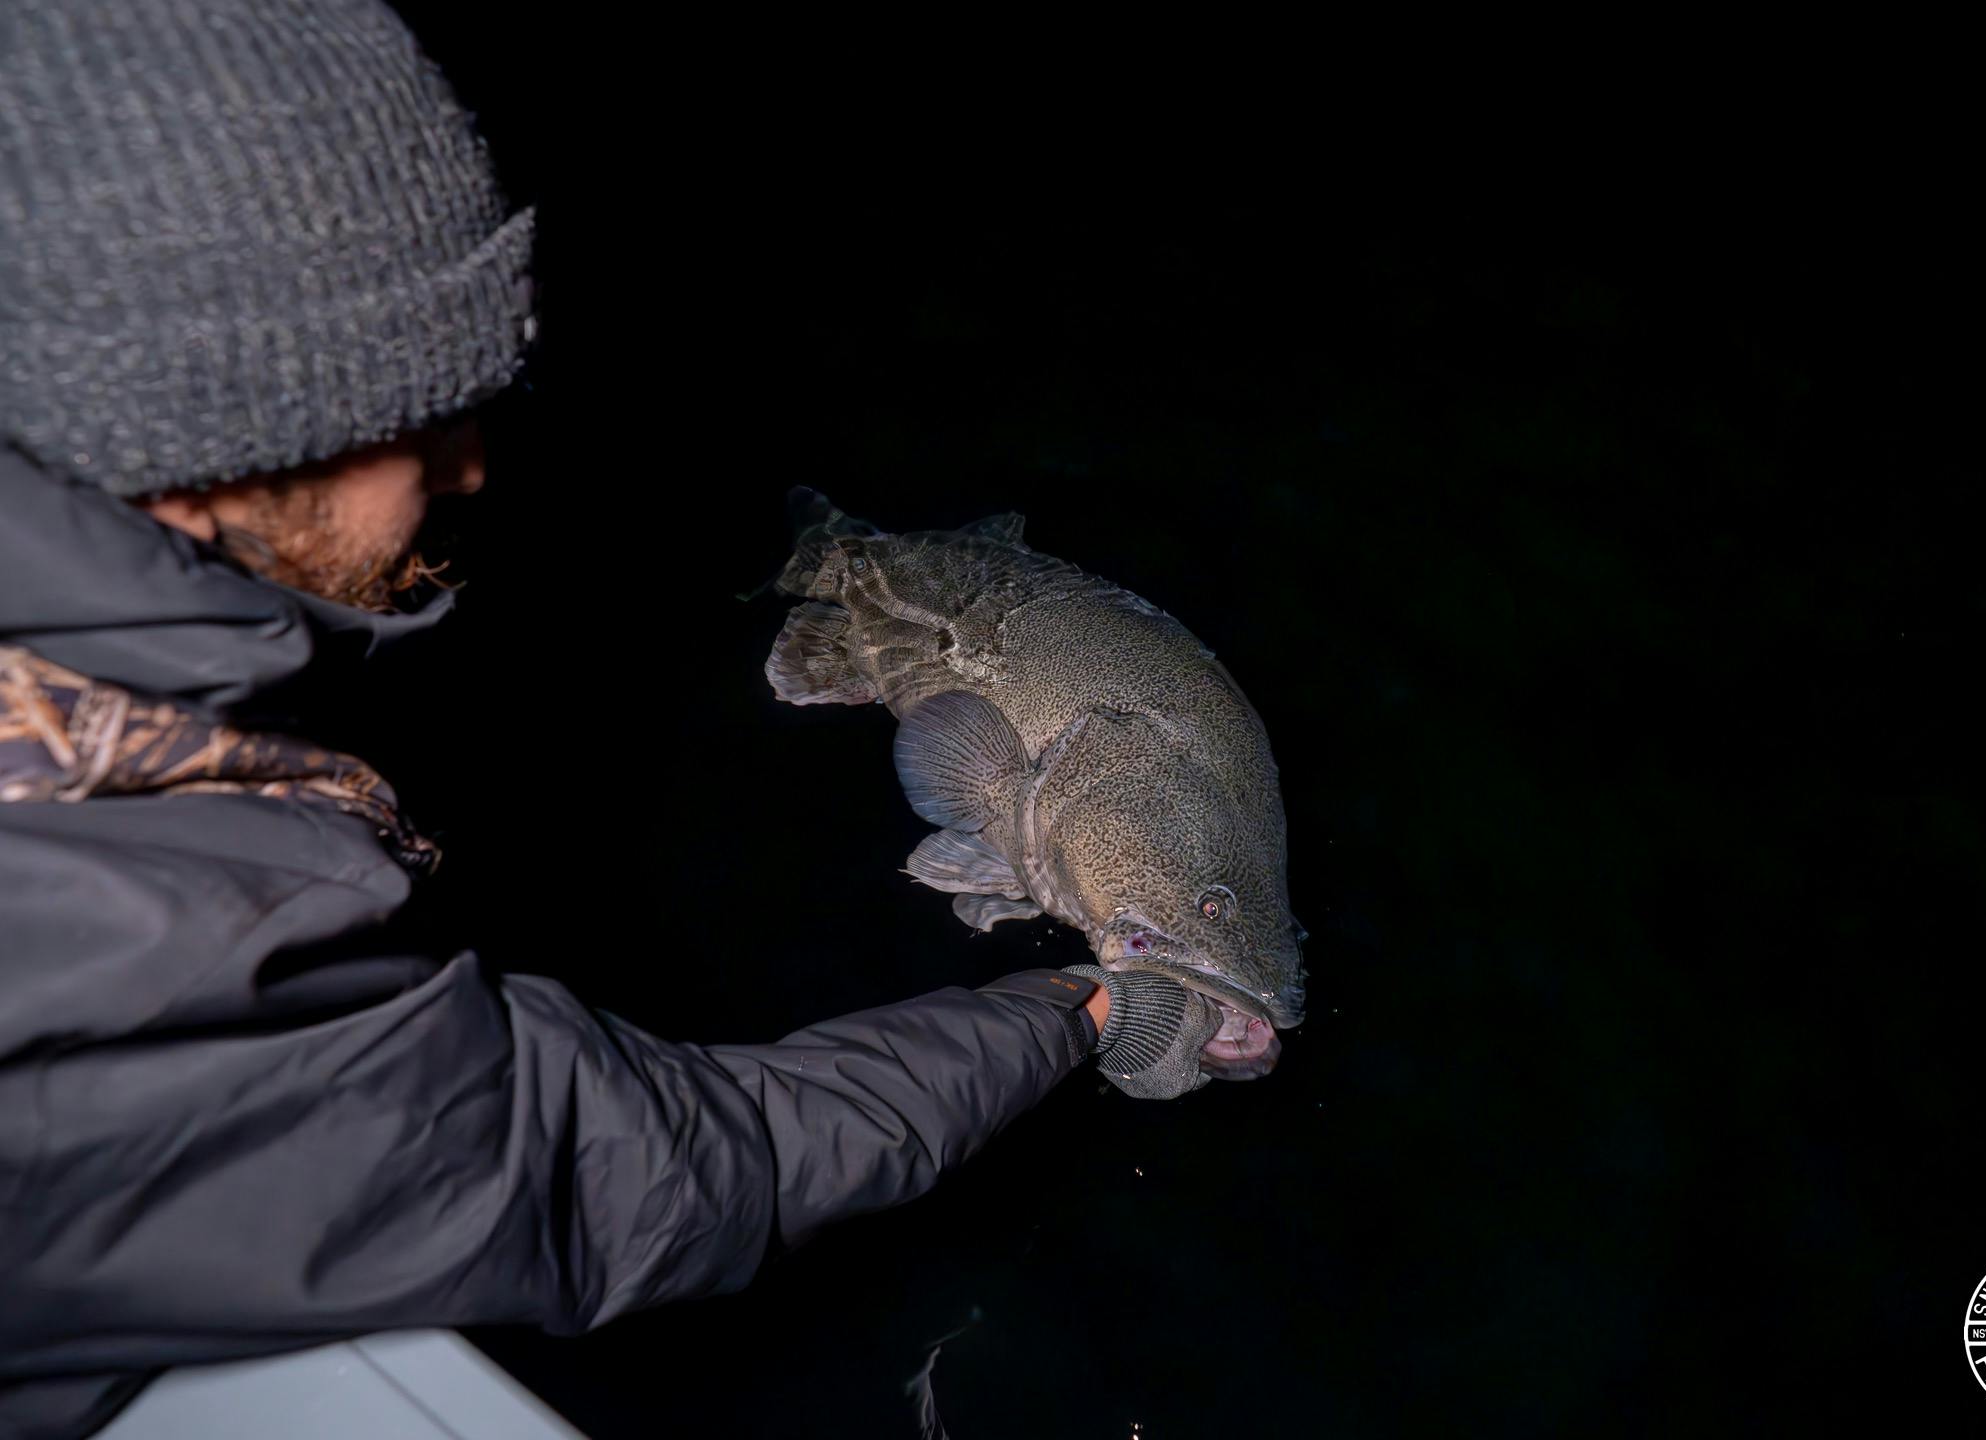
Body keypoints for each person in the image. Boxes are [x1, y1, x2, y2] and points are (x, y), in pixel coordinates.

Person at [0, 3, 1220, 1435]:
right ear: (203, 447)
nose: (467, 469)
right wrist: (1083, 1005)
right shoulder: (167, 949)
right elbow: (636, 1174)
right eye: (413, 415)